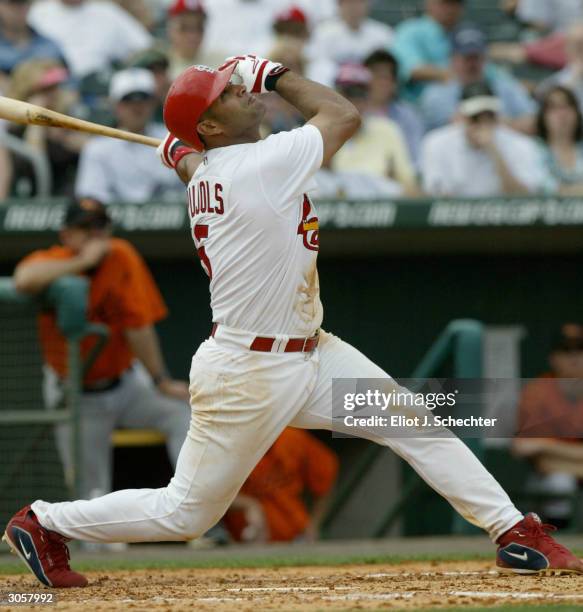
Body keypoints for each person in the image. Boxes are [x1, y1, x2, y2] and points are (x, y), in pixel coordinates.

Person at [4, 54, 583, 589]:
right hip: (248, 372)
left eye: (238, 84)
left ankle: (512, 532)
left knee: (412, 421)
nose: (244, 92)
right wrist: (274, 73)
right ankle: (45, 521)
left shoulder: (217, 171)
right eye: (228, 94)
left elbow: (207, 170)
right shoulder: (257, 164)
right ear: (209, 127)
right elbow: (342, 113)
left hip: (311, 351)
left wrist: (184, 154)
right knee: (187, 511)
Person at [11, 198, 191, 503]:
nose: (96, 234)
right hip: (77, 395)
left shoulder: (121, 255)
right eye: (86, 228)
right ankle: (101, 549)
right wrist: (82, 263)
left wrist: (161, 380)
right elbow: (23, 280)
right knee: (89, 492)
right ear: (67, 234)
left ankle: (194, 505)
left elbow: (139, 326)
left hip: (127, 382)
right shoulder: (53, 259)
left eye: (101, 226)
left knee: (182, 414)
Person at [75, 68, 183, 203]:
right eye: (128, 100)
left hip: (173, 221)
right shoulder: (97, 148)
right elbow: (91, 198)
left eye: (143, 99)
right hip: (113, 223)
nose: (136, 107)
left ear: (153, 103)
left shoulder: (173, 139)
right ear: (114, 106)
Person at [421, 82, 548, 197]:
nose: (483, 124)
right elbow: (436, 197)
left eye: (489, 117)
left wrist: (494, 151)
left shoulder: (521, 145)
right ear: (461, 116)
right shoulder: (436, 143)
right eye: (475, 118)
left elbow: (524, 198)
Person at [513, 324, 583, 527]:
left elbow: (540, 448)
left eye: (580, 349)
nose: (575, 357)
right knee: (559, 482)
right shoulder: (539, 391)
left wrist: (548, 446)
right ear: (553, 358)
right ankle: (557, 542)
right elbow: (524, 448)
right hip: (548, 477)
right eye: (566, 350)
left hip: (560, 465)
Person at [225, 428, 338, 542]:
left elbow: (326, 481)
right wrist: (248, 504)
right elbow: (209, 493)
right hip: (247, 540)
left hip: (296, 536)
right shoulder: (227, 445)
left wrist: (313, 526)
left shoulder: (291, 437)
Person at [420, 25, 537, 133]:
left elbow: (532, 121)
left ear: (485, 58)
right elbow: (459, 126)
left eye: (476, 57)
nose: (472, 64)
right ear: (453, 59)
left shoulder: (505, 86)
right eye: (467, 58)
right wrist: (501, 123)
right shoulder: (437, 94)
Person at [331, 62, 418, 195]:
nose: (354, 102)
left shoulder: (387, 129)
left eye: (360, 95)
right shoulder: (320, 132)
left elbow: (409, 185)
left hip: (381, 206)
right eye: (348, 94)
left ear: (368, 99)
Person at [6, 58, 86, 197]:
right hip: (33, 202)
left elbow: (91, 149)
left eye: (56, 86)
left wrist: (63, 136)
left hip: (72, 197)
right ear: (28, 93)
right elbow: (34, 164)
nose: (54, 93)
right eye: (46, 89)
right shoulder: (15, 130)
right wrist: (36, 120)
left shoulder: (66, 119)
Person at [28, 0, 151, 78]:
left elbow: (146, 47)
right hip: (52, 87)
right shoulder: (38, 12)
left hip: (97, 91)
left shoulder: (107, 12)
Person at [363, 49, 425, 169]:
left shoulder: (408, 116)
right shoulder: (354, 113)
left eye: (386, 77)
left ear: (395, 83)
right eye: (376, 77)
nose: (381, 83)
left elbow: (416, 157)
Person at [392, 0, 465, 100]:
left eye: (456, 3)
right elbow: (411, 69)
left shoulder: (465, 34)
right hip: (415, 108)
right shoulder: (410, 30)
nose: (451, 9)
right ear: (429, 2)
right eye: (445, 2)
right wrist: (451, 76)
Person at [309, 0, 393, 86]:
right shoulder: (324, 31)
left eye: (359, 2)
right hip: (335, 88)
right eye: (349, 2)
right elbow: (317, 67)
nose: (354, 7)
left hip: (370, 90)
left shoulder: (383, 34)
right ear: (340, 5)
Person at [0, 0, 65, 86]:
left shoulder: (49, 46)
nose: (19, 9)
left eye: (23, 3)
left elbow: (70, 86)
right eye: (12, 4)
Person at [536, 85, 583, 195]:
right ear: (543, 116)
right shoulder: (533, 149)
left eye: (567, 106)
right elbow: (541, 186)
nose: (562, 114)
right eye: (554, 108)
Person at [165, 0, 224, 80]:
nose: (193, 35)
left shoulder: (222, 65)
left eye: (199, 27)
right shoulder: (160, 66)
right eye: (184, 28)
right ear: (170, 30)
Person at [537, 23, 583, 114]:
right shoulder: (552, 84)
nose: (581, 50)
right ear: (567, 48)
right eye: (577, 45)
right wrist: (574, 79)